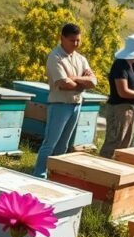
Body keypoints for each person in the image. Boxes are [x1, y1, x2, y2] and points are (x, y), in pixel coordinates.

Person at [32, 23, 97, 177]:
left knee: (64, 144)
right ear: (62, 38)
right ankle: (39, 174)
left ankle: (56, 174)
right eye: (72, 40)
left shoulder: (81, 59)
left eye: (78, 40)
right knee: (50, 143)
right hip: (59, 104)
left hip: (76, 104)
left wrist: (74, 78)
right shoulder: (55, 57)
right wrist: (82, 84)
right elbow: (63, 84)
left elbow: (93, 81)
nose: (76, 43)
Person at [99, 34, 134, 158]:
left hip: (130, 109)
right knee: (113, 144)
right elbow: (122, 91)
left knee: (124, 146)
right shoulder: (120, 65)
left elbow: (132, 87)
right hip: (119, 109)